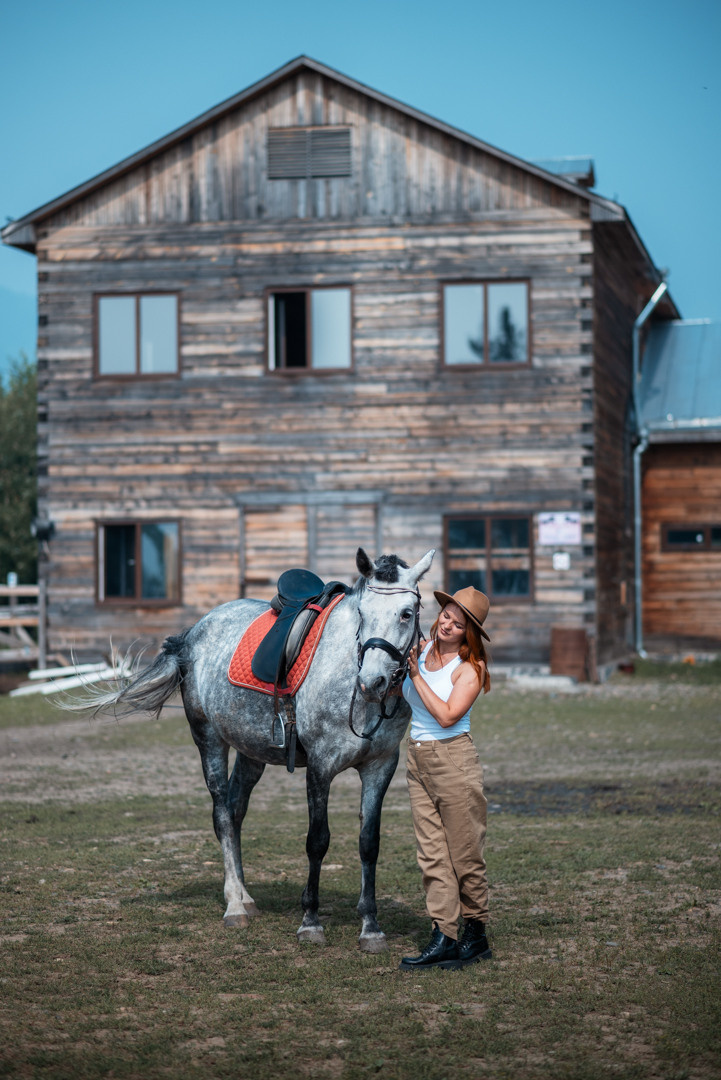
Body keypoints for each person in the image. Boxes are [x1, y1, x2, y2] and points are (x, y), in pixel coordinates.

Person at [399, 586, 492, 971]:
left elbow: (447, 715)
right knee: (432, 854)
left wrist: (416, 677)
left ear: (469, 632)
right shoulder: (421, 651)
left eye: (458, 622)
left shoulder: (470, 669)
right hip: (417, 758)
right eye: (446, 616)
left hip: (453, 758)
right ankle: (444, 934)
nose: (447, 625)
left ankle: (476, 934)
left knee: (465, 853)